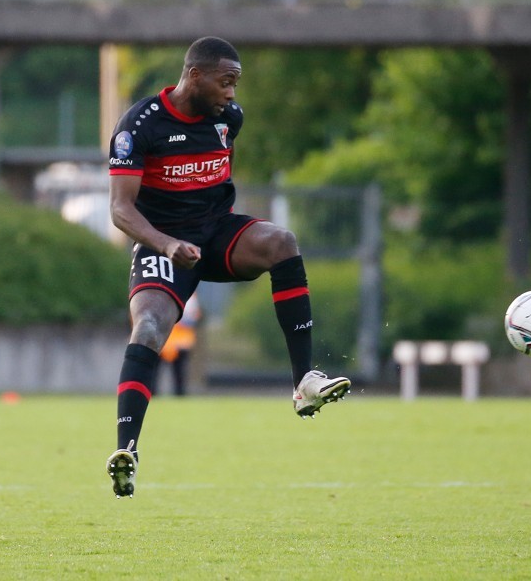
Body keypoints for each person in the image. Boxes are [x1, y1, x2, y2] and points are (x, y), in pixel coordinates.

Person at [104, 37, 351, 498]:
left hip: (215, 234)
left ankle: (304, 384)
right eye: (226, 82)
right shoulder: (139, 125)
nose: (233, 94)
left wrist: (203, 233)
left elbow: (219, 182)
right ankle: (127, 453)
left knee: (281, 242)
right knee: (150, 329)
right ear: (194, 76)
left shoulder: (227, 120)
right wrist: (166, 242)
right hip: (163, 242)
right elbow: (120, 210)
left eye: (236, 83)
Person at [156, 294, 201, 396]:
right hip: (164, 342)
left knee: (179, 375)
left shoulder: (189, 296)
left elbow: (192, 319)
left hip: (178, 342)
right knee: (154, 375)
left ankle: (179, 397)